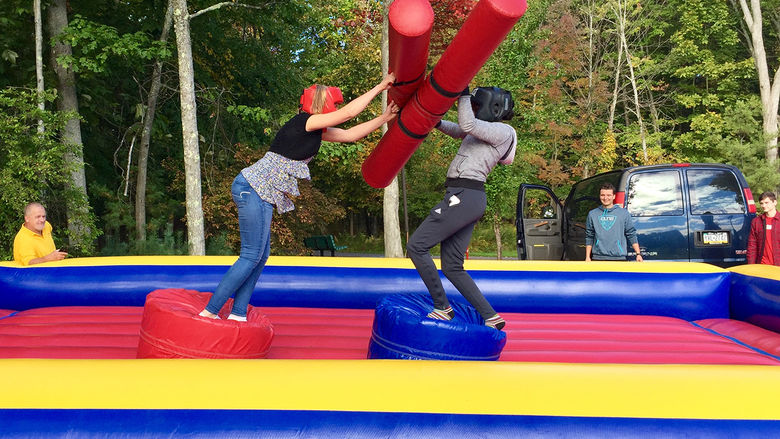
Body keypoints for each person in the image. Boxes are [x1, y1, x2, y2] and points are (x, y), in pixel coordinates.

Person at [199, 74, 398, 321]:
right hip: (251, 187)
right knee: (251, 255)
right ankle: (210, 312)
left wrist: (383, 118)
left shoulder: (314, 131)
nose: (335, 109)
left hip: (263, 192)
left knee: (260, 258)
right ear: (322, 103)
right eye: (332, 105)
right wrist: (380, 86)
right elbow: (348, 114)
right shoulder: (306, 121)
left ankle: (238, 313)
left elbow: (349, 135)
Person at [406, 86, 517, 331]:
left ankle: (442, 308)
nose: (473, 110)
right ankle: (491, 316)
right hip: (466, 197)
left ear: (492, 107)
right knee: (452, 266)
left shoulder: (503, 131)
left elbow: (466, 125)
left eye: (477, 105)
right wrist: (432, 121)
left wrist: (463, 94)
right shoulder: (483, 130)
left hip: (464, 196)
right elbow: (458, 129)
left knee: (416, 246)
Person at [585, 183, 643, 262]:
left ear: (614, 196)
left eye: (608, 195)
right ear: (599, 196)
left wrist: (638, 254)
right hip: (598, 258)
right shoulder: (592, 214)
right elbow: (589, 236)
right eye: (602, 195)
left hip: (619, 258)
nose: (605, 198)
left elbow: (631, 233)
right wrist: (587, 257)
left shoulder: (623, 213)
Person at [747, 191, 779, 266]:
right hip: (762, 266)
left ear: (774, 202)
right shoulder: (756, 222)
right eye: (761, 203)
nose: (763, 205)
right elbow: (752, 246)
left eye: (766, 202)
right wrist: (751, 266)